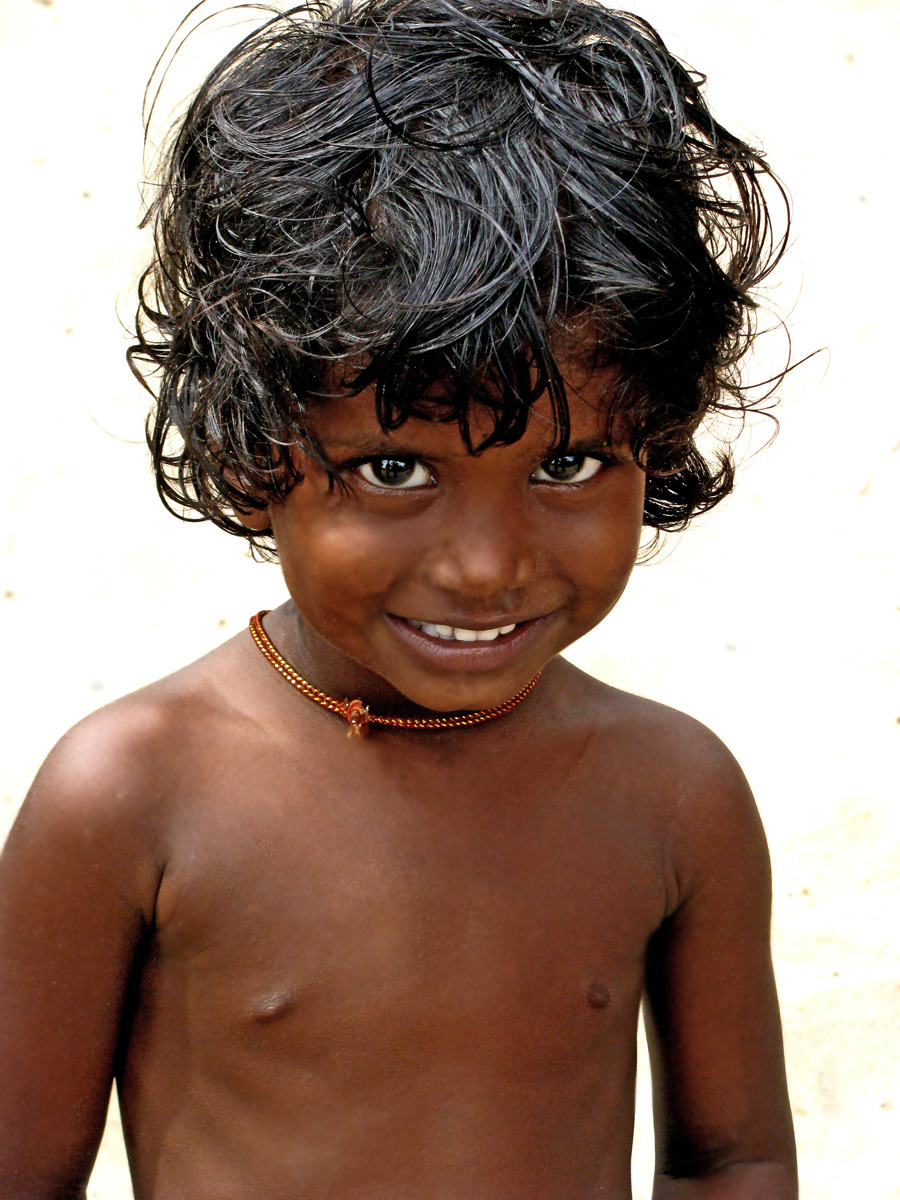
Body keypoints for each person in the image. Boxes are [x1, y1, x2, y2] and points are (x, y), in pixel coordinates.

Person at [0, 0, 798, 1196]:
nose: (486, 565)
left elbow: (735, 1158)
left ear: (661, 443)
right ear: (248, 448)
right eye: (395, 468)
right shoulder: (126, 798)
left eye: (568, 465)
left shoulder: (676, 796)